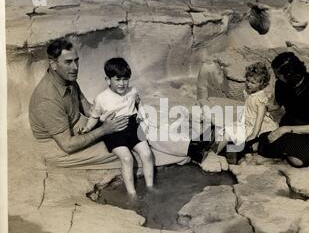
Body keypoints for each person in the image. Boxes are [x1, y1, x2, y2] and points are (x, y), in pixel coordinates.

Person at [29, 38, 220, 171]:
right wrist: (105, 130)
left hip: (81, 130)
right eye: (68, 62)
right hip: (59, 149)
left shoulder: (68, 79)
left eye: (77, 61)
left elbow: (88, 108)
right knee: (136, 152)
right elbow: (67, 146)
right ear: (53, 64)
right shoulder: (47, 98)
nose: (75, 67)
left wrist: (116, 111)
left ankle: (193, 145)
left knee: (137, 128)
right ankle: (193, 152)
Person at [79, 58, 154, 199]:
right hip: (113, 132)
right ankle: (132, 193)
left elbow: (139, 104)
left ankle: (150, 187)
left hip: (132, 127)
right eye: (117, 79)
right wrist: (88, 128)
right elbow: (94, 116)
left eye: (125, 79)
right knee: (127, 158)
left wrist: (143, 119)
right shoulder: (101, 98)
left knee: (147, 154)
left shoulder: (132, 91)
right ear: (108, 80)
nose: (122, 83)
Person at [257, 52, 309, 168]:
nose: (275, 78)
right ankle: (279, 146)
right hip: (291, 121)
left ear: (289, 74)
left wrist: (284, 130)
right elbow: (277, 105)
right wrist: (262, 106)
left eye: (278, 75)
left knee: (297, 161)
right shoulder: (281, 84)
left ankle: (274, 146)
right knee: (273, 140)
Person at [214, 62, 278, 159]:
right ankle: (215, 151)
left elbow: (259, 119)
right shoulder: (250, 92)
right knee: (229, 131)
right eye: (247, 81)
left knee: (249, 142)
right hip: (246, 121)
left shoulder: (260, 99)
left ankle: (231, 152)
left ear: (261, 84)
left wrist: (254, 134)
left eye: (252, 82)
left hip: (256, 126)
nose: (248, 84)